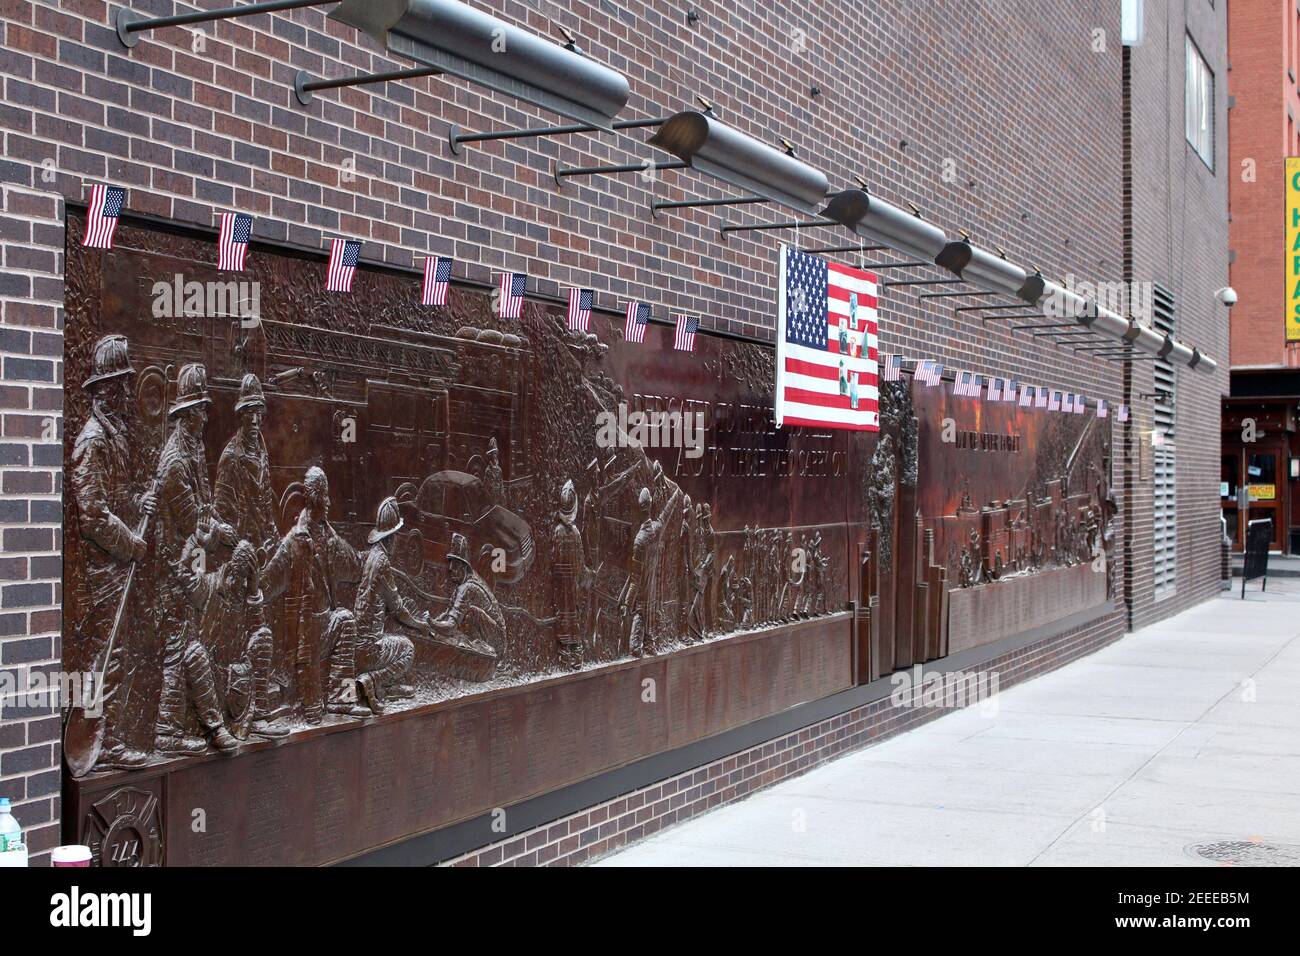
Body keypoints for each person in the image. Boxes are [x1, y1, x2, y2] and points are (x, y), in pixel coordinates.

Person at [70, 335, 156, 770]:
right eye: (120, 384)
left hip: (119, 565)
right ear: (104, 389)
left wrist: (140, 501)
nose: (126, 392)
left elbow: (116, 502)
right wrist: (132, 544)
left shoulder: (116, 436)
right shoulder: (93, 442)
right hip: (103, 571)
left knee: (119, 652)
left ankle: (113, 738)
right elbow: (94, 517)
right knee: (106, 654)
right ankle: (102, 744)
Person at [153, 363, 239, 755]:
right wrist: (218, 533)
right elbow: (191, 520)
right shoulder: (174, 463)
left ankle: (175, 729)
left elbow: (204, 507)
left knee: (184, 646)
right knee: (185, 646)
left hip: (194, 560)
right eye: (202, 409)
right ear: (187, 415)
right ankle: (200, 728)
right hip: (178, 568)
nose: (206, 416)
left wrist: (219, 526)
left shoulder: (192, 448)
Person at [262, 466, 367, 723]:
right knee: (313, 718)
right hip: (302, 638)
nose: (329, 502)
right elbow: (267, 583)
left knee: (345, 619)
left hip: (323, 627)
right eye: (325, 496)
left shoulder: (328, 536)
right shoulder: (295, 542)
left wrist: (369, 558)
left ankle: (341, 700)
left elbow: (355, 567)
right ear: (314, 498)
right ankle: (315, 703)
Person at [353, 497, 421, 714]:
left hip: (357, 643)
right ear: (391, 538)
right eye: (397, 536)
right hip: (370, 650)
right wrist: (420, 625)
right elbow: (399, 610)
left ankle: (384, 688)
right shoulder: (382, 563)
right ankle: (373, 679)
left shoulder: (371, 557)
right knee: (408, 649)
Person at [214, 373, 277, 554]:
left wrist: (273, 536)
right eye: (250, 414)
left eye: (259, 414)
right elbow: (220, 512)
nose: (255, 420)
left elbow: (266, 504)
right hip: (237, 548)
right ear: (241, 416)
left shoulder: (262, 453)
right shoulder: (230, 457)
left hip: (261, 544)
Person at [431, 532, 505, 652]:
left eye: (455, 564)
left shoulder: (467, 588)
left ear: (464, 567)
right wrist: (428, 621)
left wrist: (431, 623)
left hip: (496, 643)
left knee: (471, 612)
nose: (450, 568)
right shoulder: (465, 584)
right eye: (450, 563)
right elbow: (448, 613)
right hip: (492, 635)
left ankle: (477, 647)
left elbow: (450, 626)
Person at [551, 480, 587, 670]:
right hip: (571, 585)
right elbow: (580, 562)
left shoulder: (558, 532)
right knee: (572, 616)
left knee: (565, 616)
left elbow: (554, 559)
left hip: (563, 586)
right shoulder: (576, 533)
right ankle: (575, 653)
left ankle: (566, 653)